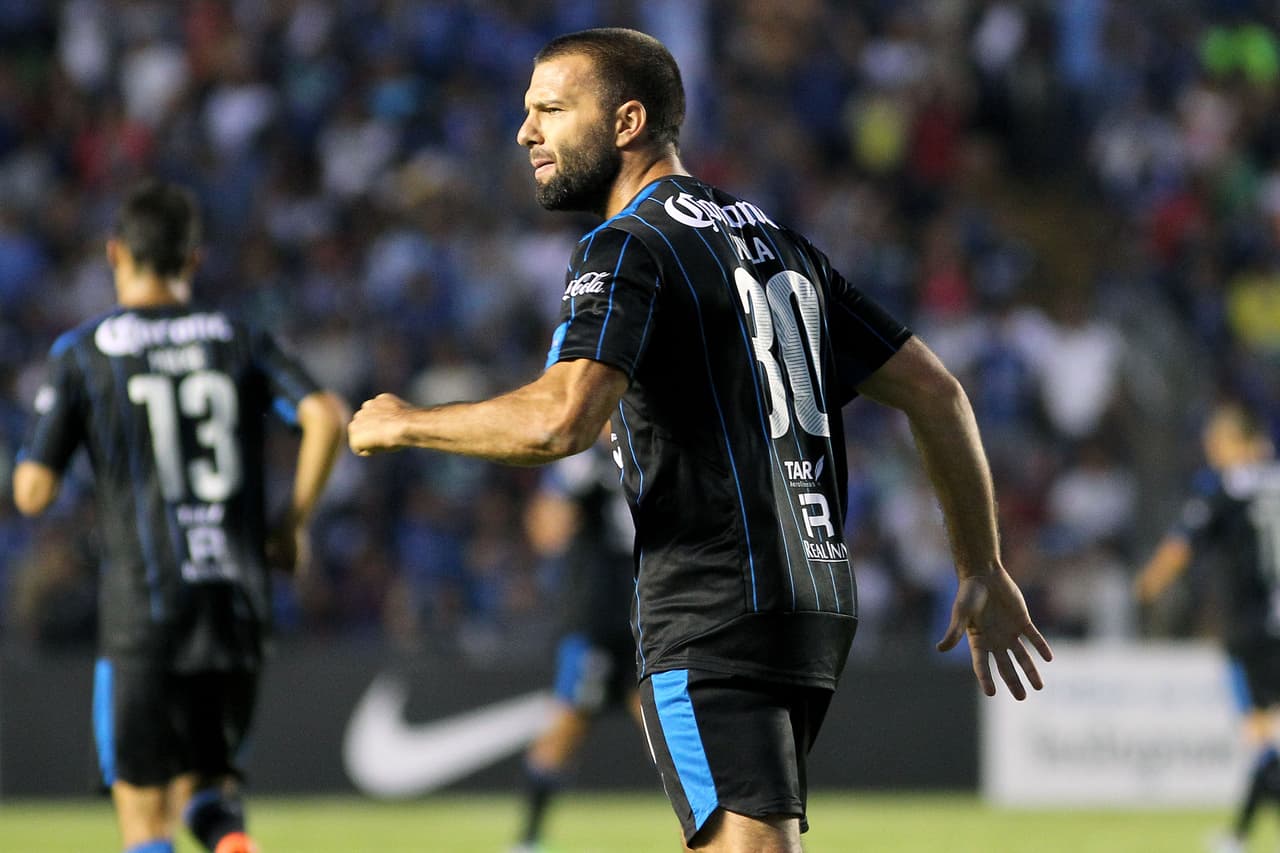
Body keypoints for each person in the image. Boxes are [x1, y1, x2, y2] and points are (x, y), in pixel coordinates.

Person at [348, 28, 1052, 853]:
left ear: (626, 122)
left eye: (551, 110)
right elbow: (937, 392)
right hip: (813, 599)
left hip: (711, 602)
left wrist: (408, 421)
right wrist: (981, 564)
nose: (525, 131)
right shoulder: (777, 242)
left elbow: (559, 419)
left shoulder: (626, 245)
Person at [12, 180, 348, 853]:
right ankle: (230, 841)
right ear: (193, 259)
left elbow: (33, 493)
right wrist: (292, 524)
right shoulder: (237, 337)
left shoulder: (85, 352)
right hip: (233, 597)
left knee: (144, 819)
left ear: (115, 253)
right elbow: (324, 414)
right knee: (210, 795)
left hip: (144, 603)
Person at [1134, 402, 1280, 853]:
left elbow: (1180, 546)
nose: (1211, 449)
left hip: (1252, 630)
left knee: (1262, 740)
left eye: (1218, 441)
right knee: (1268, 740)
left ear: (1240, 442)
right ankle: (1238, 835)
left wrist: (1146, 586)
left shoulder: (1223, 492)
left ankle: (1237, 838)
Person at [513, 432, 643, 853]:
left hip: (653, 613)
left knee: (668, 730)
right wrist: (570, 487)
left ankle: (709, 832)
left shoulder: (654, 447)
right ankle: (528, 839)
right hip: (595, 617)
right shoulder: (583, 461)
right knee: (567, 725)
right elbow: (547, 535)